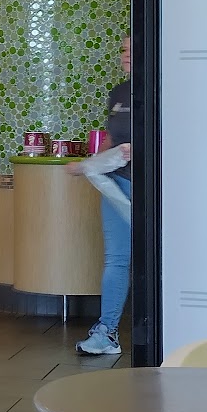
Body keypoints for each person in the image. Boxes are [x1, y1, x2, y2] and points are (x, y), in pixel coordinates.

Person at [68, 36, 132, 358]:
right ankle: (107, 333)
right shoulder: (119, 93)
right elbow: (110, 138)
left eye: (132, 50)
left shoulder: (163, 88)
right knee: (117, 259)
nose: (126, 55)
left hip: (151, 188)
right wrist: (90, 164)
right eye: (123, 50)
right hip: (117, 184)